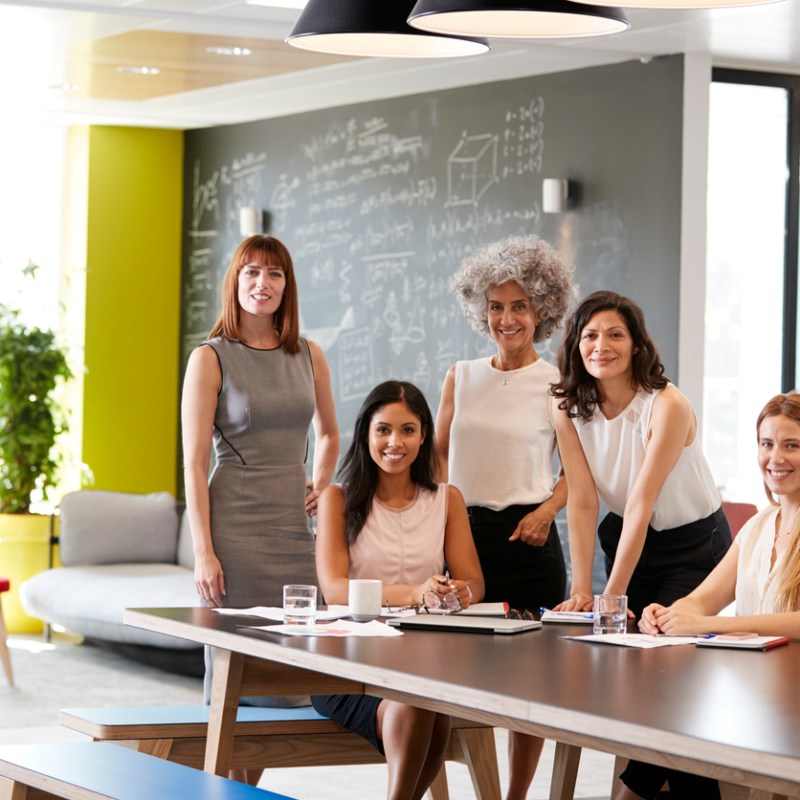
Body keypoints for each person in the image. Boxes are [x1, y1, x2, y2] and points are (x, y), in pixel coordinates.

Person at [550, 289, 731, 800]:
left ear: (635, 345)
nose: (600, 345)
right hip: (629, 540)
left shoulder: (666, 404)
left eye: (614, 334)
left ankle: (633, 791)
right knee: (637, 677)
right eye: (589, 335)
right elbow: (583, 501)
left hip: (695, 545)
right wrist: (582, 588)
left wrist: (612, 599)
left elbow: (641, 502)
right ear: (576, 345)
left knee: (670, 673)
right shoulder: (567, 405)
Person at [181, 234, 339, 783]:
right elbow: (194, 464)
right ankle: (225, 788)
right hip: (235, 529)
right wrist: (204, 553)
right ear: (235, 282)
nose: (262, 284)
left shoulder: (309, 353)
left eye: (274, 275)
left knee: (285, 681)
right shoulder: (210, 358)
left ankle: (245, 790)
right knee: (237, 683)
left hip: (296, 533)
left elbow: (330, 435)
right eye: (251, 273)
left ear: (286, 286)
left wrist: (319, 483)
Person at [435, 234, 573, 800]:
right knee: (447, 677)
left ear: (541, 310)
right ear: (480, 309)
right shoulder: (460, 376)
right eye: (496, 305)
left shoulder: (558, 382)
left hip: (530, 542)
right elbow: (434, 459)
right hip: (464, 537)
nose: (507, 318)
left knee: (527, 688)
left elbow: (580, 478)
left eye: (519, 306)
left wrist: (547, 511)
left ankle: (513, 797)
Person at [313, 380, 484, 800]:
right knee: (420, 699)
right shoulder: (338, 498)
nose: (395, 442)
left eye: (408, 430)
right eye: (383, 429)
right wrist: (414, 593)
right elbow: (335, 589)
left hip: (422, 656)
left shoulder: (448, 499)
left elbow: (475, 583)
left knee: (430, 703)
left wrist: (457, 593)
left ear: (424, 435)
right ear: (366, 434)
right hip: (347, 662)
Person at [639, 390, 800, 640]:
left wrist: (709, 624)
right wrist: (668, 615)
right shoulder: (757, 527)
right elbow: (700, 601)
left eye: (792, 445)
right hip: (753, 675)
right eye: (767, 444)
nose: (775, 458)